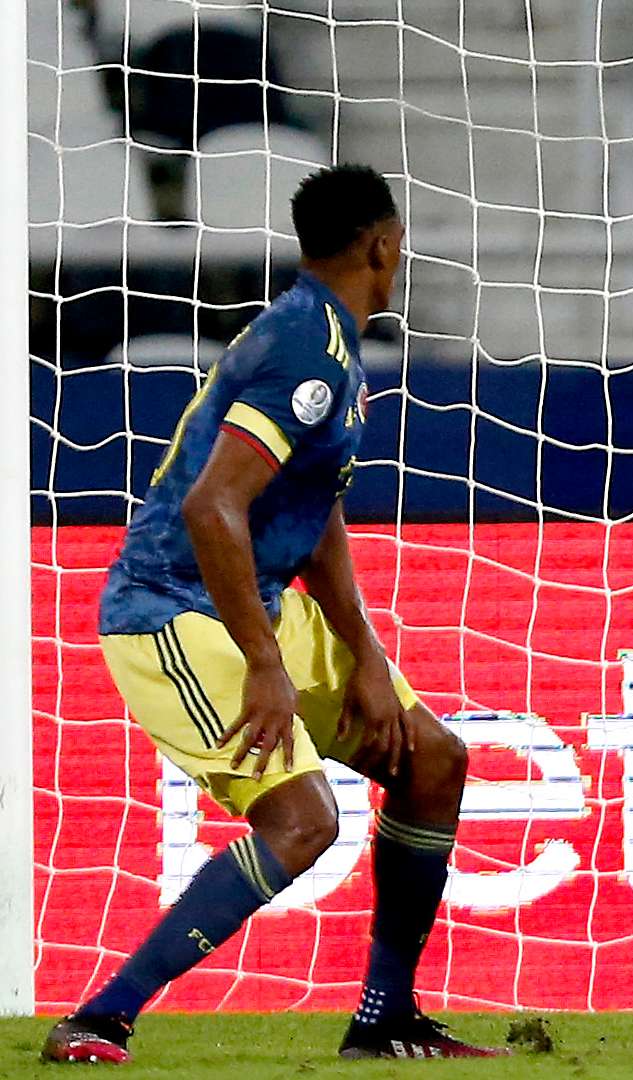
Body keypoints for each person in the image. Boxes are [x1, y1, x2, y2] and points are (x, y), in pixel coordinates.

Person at [43, 165, 502, 1063]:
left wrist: (363, 652)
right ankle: (98, 1017)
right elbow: (211, 509)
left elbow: (310, 506)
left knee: (433, 759)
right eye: (398, 240)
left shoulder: (327, 338)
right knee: (303, 821)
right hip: (173, 611)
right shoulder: (305, 352)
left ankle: (386, 1019)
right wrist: (264, 663)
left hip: (256, 601)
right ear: (384, 244)